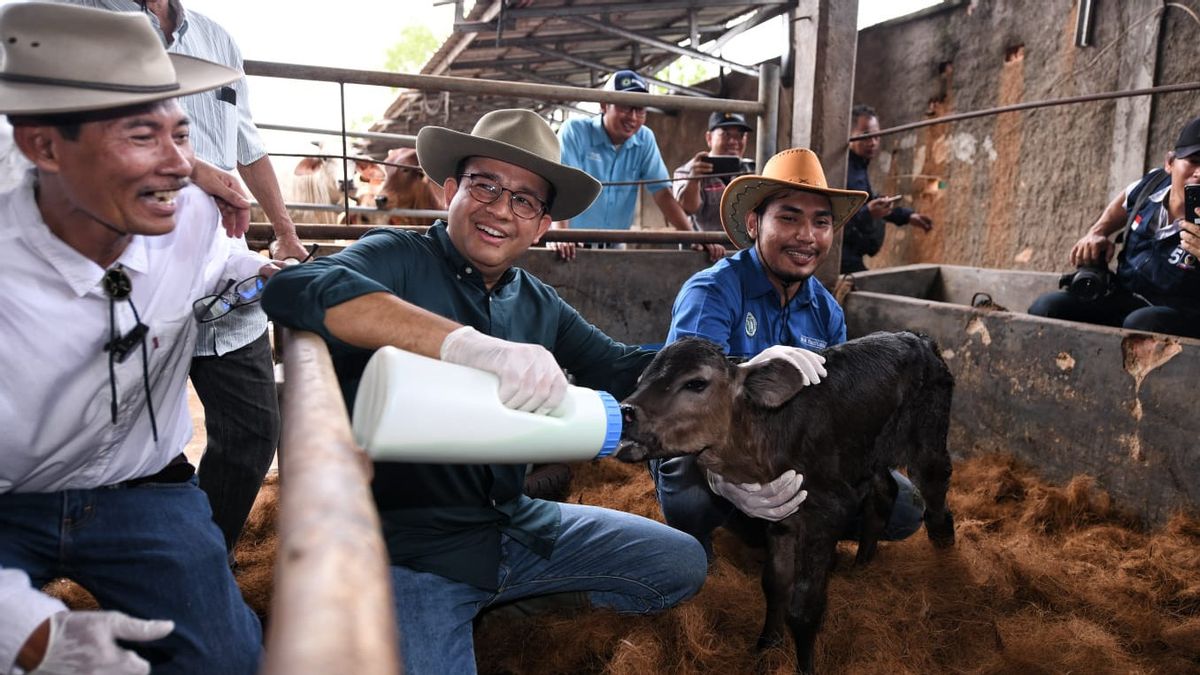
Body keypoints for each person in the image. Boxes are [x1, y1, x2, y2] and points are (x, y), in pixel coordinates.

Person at [262, 109, 815, 675]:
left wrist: (737, 377)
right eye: (485, 185)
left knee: (680, 563)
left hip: (516, 523)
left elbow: (623, 367)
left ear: (543, 225)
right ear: (449, 189)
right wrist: (468, 347)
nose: (502, 208)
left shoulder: (536, 301)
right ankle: (473, 602)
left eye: (525, 200)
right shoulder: (397, 258)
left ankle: (517, 593)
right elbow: (296, 286)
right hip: (413, 550)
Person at [0, 4, 282, 673]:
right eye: (139, 132)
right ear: (45, 148)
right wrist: (25, 626)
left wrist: (271, 275)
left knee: (228, 659)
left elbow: (220, 267)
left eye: (179, 129)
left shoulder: (183, 213)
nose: (181, 163)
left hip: (144, 490)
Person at [65, 0, 306, 553]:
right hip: (124, 281)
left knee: (251, 435)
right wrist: (192, 168)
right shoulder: (74, 17)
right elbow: (68, 131)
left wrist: (285, 234)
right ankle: (123, 561)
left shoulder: (216, 41)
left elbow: (246, 145)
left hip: (222, 269)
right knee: (127, 447)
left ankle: (202, 554)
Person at [652, 147, 928, 560]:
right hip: (711, 445)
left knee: (903, 507)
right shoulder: (713, 292)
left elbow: (832, 412)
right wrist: (730, 472)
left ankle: (768, 523)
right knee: (691, 491)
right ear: (753, 223)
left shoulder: (826, 311)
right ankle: (714, 531)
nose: (806, 236)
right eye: (788, 217)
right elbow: (684, 402)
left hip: (786, 450)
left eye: (821, 222)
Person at [1027, 116, 1200, 339]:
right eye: (1194, 160)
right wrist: (1097, 232)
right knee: (1047, 308)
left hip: (1178, 314)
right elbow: (1125, 200)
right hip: (1124, 296)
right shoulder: (1153, 184)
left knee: (1141, 325)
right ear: (1170, 163)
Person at [552, 69, 722, 261]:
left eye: (640, 109)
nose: (632, 117)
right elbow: (564, 186)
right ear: (603, 104)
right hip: (571, 244)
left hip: (615, 245)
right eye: (625, 107)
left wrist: (693, 237)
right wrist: (560, 236)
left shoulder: (644, 139)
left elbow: (662, 193)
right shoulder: (575, 131)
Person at [841, 104, 933, 274]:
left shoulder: (859, 167)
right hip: (839, 258)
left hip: (852, 255)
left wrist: (907, 216)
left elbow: (870, 204)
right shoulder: (842, 170)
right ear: (850, 135)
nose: (873, 142)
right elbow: (834, 221)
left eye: (877, 136)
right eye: (866, 136)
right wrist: (867, 213)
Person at [674, 111, 754, 233]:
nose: (733, 142)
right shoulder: (687, 171)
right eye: (726, 135)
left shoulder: (753, 169)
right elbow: (688, 208)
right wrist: (694, 180)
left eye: (740, 135)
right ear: (709, 138)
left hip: (744, 248)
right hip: (705, 248)